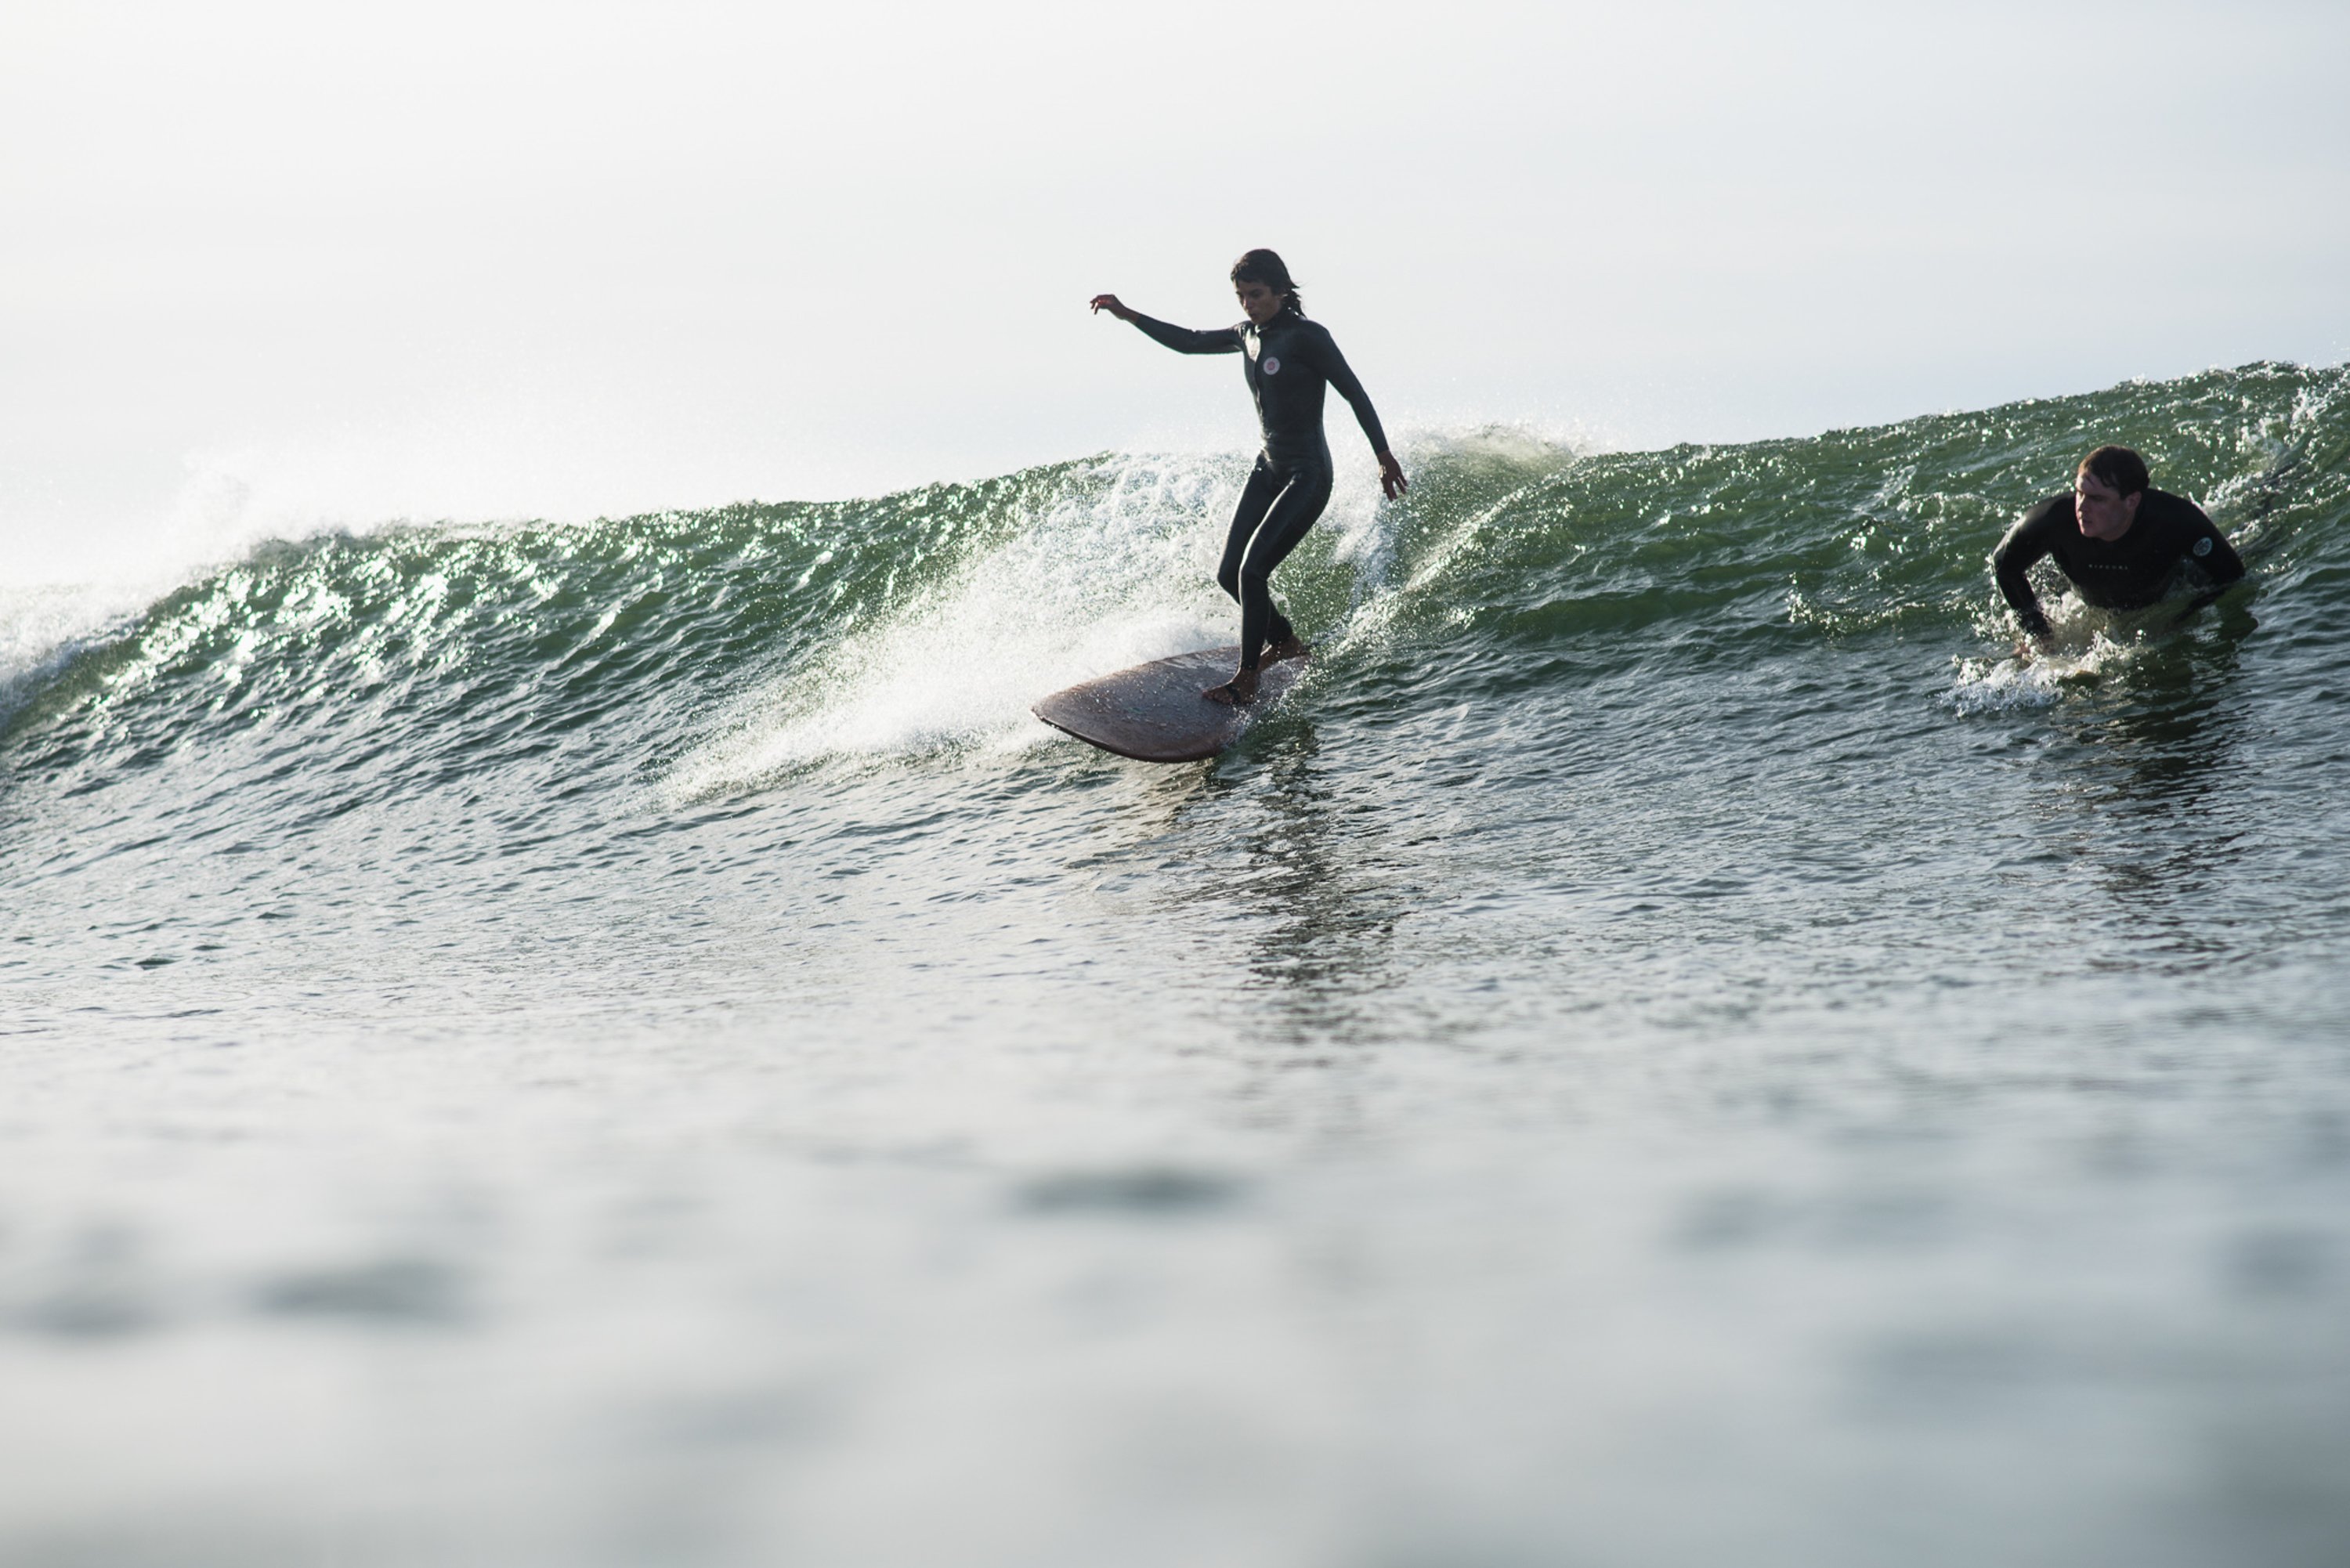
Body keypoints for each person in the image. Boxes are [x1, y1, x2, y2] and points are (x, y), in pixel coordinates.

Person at [1090, 249, 1405, 704]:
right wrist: (1128, 315)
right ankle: (1286, 643)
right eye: (1241, 296)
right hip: (1269, 467)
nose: (1248, 304)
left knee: (1253, 571)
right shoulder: (1246, 335)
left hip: (1308, 474)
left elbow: (1355, 394)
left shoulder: (1308, 337)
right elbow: (1189, 341)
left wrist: (1383, 453)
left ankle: (1247, 678)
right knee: (1229, 574)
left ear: (1281, 290)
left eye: (1256, 295)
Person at [1993, 444, 2245, 656]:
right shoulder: (2052, 519)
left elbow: (2232, 577)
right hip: (2087, 590)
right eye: (2079, 493)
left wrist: (2181, 617)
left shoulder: (2177, 521)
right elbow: (2004, 564)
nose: (2082, 507)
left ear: (2131, 501)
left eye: (2097, 499)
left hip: (2169, 589)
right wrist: (2039, 634)